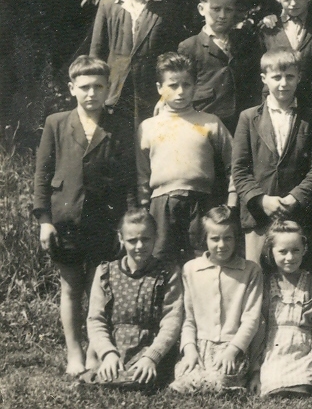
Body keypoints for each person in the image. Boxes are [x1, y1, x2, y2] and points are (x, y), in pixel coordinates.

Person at [32, 55, 136, 375]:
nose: (91, 93)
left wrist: (127, 225)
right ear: (71, 88)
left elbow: (128, 178)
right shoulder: (57, 123)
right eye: (85, 87)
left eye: (99, 87)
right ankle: (74, 353)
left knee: (99, 291)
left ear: (108, 89)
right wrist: (45, 221)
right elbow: (42, 174)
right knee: (71, 287)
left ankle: (95, 351)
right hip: (67, 220)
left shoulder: (118, 125)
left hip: (106, 221)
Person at [137, 52, 236, 262]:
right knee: (161, 260)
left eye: (187, 85)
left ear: (195, 86)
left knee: (202, 260)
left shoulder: (210, 122)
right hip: (161, 204)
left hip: (201, 202)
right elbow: (141, 174)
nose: (181, 92)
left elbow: (235, 163)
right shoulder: (148, 127)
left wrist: (232, 199)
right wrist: (144, 208)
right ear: (159, 88)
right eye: (173, 86)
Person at [231, 49, 312, 264]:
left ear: (299, 77)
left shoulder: (311, 118)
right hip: (259, 215)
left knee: (295, 273)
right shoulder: (248, 118)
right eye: (276, 77)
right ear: (264, 78)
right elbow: (239, 168)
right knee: (257, 274)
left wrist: (295, 197)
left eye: (290, 76)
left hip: (297, 213)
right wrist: (261, 200)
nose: (283, 83)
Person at [80, 209, 182, 390]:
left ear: (156, 237)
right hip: (114, 349)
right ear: (121, 238)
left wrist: (152, 357)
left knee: (141, 379)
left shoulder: (167, 273)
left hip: (151, 349)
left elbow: (172, 320)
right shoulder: (105, 272)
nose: (139, 246)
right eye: (132, 240)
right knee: (106, 378)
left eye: (146, 239)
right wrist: (108, 354)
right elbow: (96, 319)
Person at [170, 205, 264, 393]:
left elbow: (251, 319)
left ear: (236, 239)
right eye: (215, 239)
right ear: (204, 239)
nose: (221, 245)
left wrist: (232, 351)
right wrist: (189, 350)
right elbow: (188, 319)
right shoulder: (191, 269)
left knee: (220, 378)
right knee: (185, 376)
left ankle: (224, 382)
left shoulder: (250, 270)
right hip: (200, 347)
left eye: (228, 238)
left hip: (232, 347)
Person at [89, 0, 184, 125]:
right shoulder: (107, 6)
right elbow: (96, 54)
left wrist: (165, 96)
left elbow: (172, 59)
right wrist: (96, 92)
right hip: (113, 94)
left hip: (150, 95)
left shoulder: (166, 9)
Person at [254, 219, 312, 397]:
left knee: (303, 385)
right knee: (273, 386)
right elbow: (258, 330)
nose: (290, 257)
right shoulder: (264, 285)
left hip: (303, 352)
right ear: (271, 252)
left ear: (304, 249)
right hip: (272, 351)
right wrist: (255, 372)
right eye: (283, 251)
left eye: (295, 250)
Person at [178, 0, 262, 134]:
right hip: (206, 123)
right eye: (216, 9)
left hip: (243, 123)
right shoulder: (189, 47)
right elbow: (183, 87)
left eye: (228, 10)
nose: (222, 15)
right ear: (201, 9)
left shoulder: (246, 40)